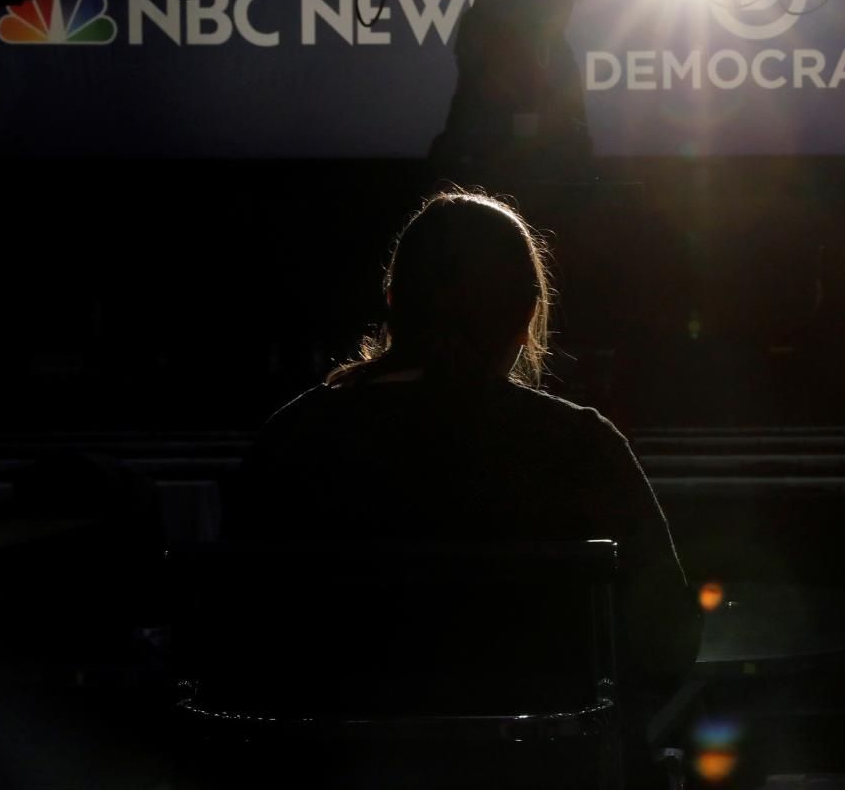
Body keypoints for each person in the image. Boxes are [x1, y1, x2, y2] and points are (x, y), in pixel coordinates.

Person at [227, 188, 700, 733]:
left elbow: (234, 637)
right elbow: (668, 643)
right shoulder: (579, 445)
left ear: (392, 300)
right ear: (526, 315)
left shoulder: (294, 439)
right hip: (539, 769)